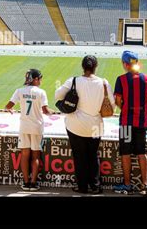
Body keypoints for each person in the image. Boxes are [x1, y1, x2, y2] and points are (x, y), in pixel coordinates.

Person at [55, 55, 115, 194]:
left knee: (79, 157)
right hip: (95, 125)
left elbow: (57, 95)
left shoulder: (74, 81)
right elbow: (112, 105)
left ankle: (82, 186)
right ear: (96, 67)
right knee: (93, 156)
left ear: (83, 67)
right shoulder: (104, 83)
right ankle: (95, 186)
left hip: (75, 125)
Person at [113, 50, 147, 196]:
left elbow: (118, 101)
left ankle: (127, 185)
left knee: (125, 153)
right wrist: (146, 111)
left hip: (126, 122)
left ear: (125, 64)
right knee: (141, 152)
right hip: (141, 122)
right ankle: (144, 186)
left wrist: (124, 108)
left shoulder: (121, 79)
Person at [5, 69, 52, 191]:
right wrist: (56, 112)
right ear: (35, 79)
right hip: (37, 127)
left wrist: (10, 110)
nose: (41, 80)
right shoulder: (41, 92)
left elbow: (8, 106)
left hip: (24, 127)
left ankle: (25, 183)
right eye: (40, 78)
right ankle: (33, 183)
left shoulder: (19, 91)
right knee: (35, 156)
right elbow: (46, 111)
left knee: (25, 155)